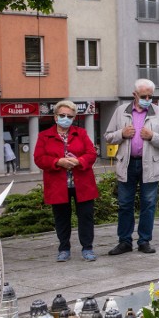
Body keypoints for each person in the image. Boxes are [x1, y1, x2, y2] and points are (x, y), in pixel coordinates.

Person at [104, 78, 159, 255]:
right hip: (127, 164)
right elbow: (108, 136)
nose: (148, 99)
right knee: (125, 204)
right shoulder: (121, 111)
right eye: (144, 96)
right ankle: (124, 241)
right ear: (134, 95)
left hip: (150, 164)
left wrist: (152, 136)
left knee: (148, 204)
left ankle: (144, 241)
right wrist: (122, 133)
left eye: (150, 96)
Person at [34, 100, 98, 262]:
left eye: (69, 116)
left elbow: (91, 154)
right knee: (61, 218)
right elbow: (39, 158)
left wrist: (79, 161)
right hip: (57, 184)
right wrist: (57, 162)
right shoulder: (44, 136)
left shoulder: (81, 133)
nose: (66, 118)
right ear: (55, 117)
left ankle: (87, 248)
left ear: (74, 117)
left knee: (86, 216)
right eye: (62, 115)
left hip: (82, 183)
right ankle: (64, 248)